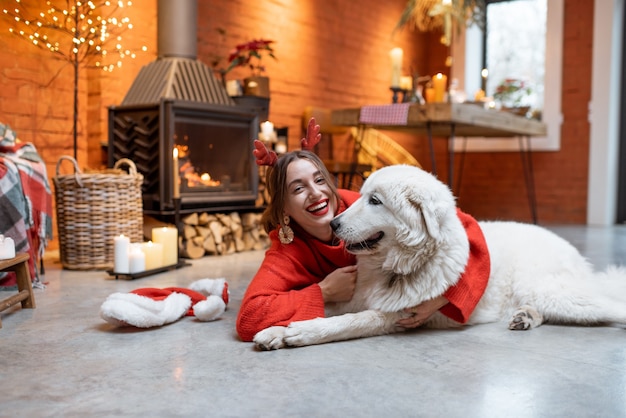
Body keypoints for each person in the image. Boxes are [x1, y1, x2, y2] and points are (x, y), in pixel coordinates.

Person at [236, 118, 489, 342]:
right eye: (298, 188)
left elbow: (463, 226)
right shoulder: (288, 250)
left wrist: (444, 297)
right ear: (284, 211)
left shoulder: (356, 204)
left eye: (319, 179)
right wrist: (324, 292)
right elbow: (249, 318)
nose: (316, 193)